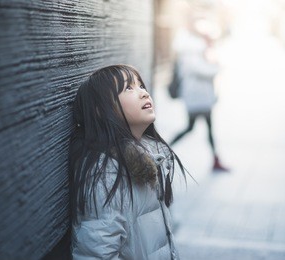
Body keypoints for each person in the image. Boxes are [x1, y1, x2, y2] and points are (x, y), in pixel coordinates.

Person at [69, 65, 185, 259]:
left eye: (140, 85)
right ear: (101, 110)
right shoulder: (108, 173)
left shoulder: (152, 156)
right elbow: (97, 253)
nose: (144, 93)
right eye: (128, 88)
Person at [170, 15, 229, 172]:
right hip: (196, 98)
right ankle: (165, 149)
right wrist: (217, 67)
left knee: (203, 128)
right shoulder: (191, 53)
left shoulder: (194, 52)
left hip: (201, 98)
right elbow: (202, 71)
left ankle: (216, 160)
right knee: (191, 127)